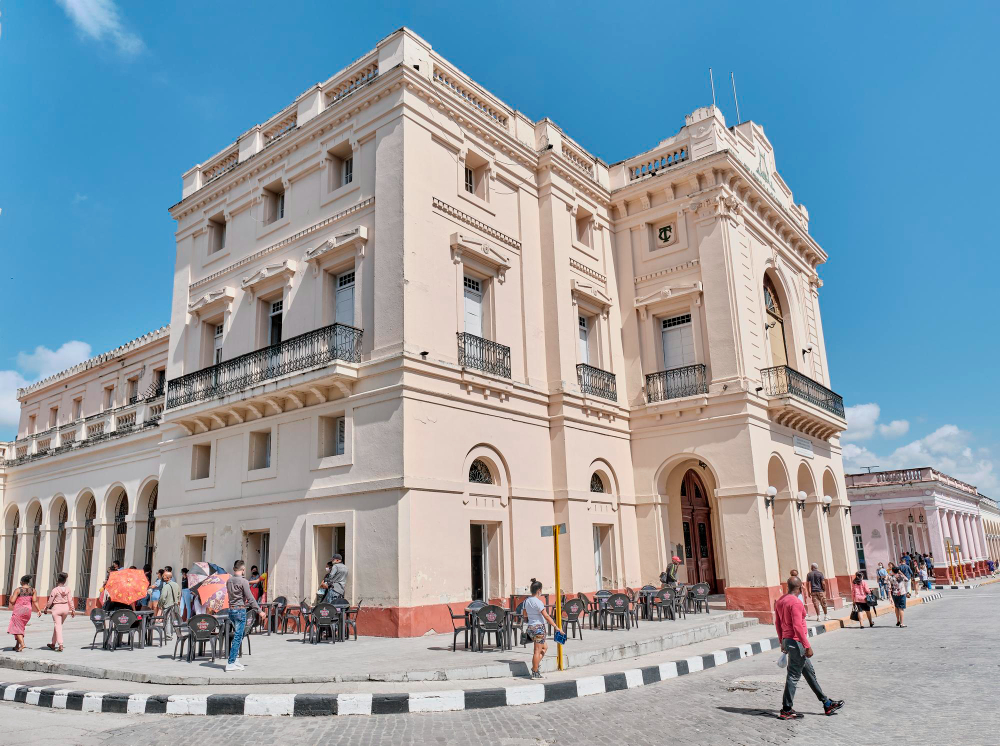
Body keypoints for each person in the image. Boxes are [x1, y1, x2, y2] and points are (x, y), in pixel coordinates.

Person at [774, 576, 844, 720]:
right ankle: (786, 709)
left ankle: (826, 703)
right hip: (797, 642)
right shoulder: (796, 603)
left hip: (788, 640)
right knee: (793, 675)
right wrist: (807, 645)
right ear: (800, 588)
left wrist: (782, 641)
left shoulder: (780, 600)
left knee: (809, 673)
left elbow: (777, 622)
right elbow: (797, 626)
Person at [224, 560, 265, 672]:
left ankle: (235, 658)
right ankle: (231, 663)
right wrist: (259, 611)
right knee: (238, 636)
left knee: (240, 634)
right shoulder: (244, 581)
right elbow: (251, 598)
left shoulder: (229, 581)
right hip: (240, 611)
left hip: (231, 610)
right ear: (243, 569)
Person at [523, 578, 563, 680]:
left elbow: (524, 615)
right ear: (539, 590)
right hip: (538, 628)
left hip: (530, 627)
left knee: (544, 648)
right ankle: (535, 672)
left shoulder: (526, 601)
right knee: (537, 651)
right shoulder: (538, 602)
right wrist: (556, 627)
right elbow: (547, 616)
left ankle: (535, 667)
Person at [42, 572, 75, 652]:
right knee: (58, 626)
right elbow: (70, 600)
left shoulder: (55, 590)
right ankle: (53, 644)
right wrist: (73, 609)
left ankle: (60, 644)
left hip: (57, 608)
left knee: (58, 626)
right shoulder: (68, 589)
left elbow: (50, 601)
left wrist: (46, 608)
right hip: (65, 609)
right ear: (65, 581)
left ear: (57, 580)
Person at [7, 575, 40, 652]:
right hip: (28, 610)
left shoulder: (18, 590)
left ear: (21, 582)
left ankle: (22, 644)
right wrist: (39, 610)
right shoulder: (33, 590)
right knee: (20, 627)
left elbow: (12, 601)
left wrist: (10, 597)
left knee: (16, 627)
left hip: (19, 610)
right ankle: (17, 645)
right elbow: (35, 601)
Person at [159, 569, 181, 639]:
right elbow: (179, 594)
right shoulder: (176, 585)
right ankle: (171, 633)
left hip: (167, 605)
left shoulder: (166, 586)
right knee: (173, 620)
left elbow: (163, 597)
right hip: (175, 605)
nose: (163, 577)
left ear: (168, 577)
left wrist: (160, 604)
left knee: (167, 620)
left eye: (164, 576)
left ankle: (168, 635)